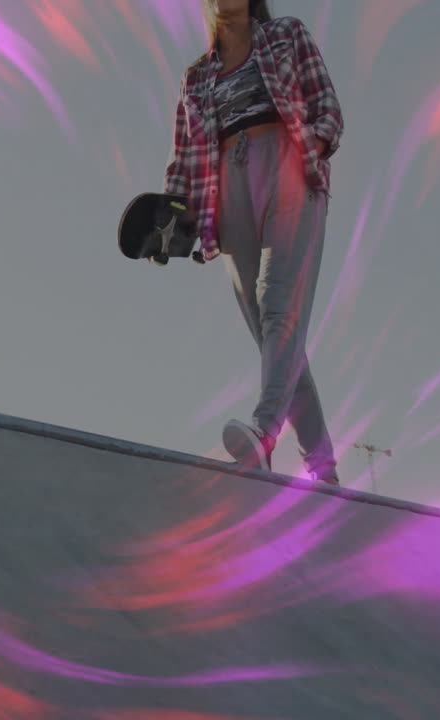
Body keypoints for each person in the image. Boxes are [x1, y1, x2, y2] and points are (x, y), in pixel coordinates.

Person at [162, 0, 342, 484]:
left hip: (287, 165)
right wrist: (169, 221)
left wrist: (311, 147)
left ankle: (263, 434)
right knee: (272, 332)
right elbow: (183, 160)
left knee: (279, 303)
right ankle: (322, 470)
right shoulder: (196, 76)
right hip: (225, 186)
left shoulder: (286, 34)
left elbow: (326, 106)